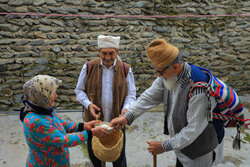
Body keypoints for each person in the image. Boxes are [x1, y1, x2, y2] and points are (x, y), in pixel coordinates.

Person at [111, 39, 225, 167]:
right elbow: (148, 97)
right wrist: (127, 116)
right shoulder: (168, 75)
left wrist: (164, 146)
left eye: (160, 72)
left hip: (201, 148)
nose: (158, 76)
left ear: (176, 67)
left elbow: (193, 130)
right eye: (157, 71)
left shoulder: (199, 89)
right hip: (182, 147)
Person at [20, 75, 109, 167]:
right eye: (53, 93)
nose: (56, 95)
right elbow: (64, 140)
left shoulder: (44, 109)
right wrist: (90, 133)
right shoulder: (37, 122)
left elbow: (59, 123)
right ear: (42, 97)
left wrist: (83, 126)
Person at [75, 35, 136, 167]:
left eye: (111, 53)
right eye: (104, 53)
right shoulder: (89, 67)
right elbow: (79, 91)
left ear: (117, 51)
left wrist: (125, 110)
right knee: (95, 157)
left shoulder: (125, 69)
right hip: (94, 123)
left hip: (117, 124)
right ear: (99, 51)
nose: (107, 57)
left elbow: (131, 95)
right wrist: (89, 104)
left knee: (119, 159)